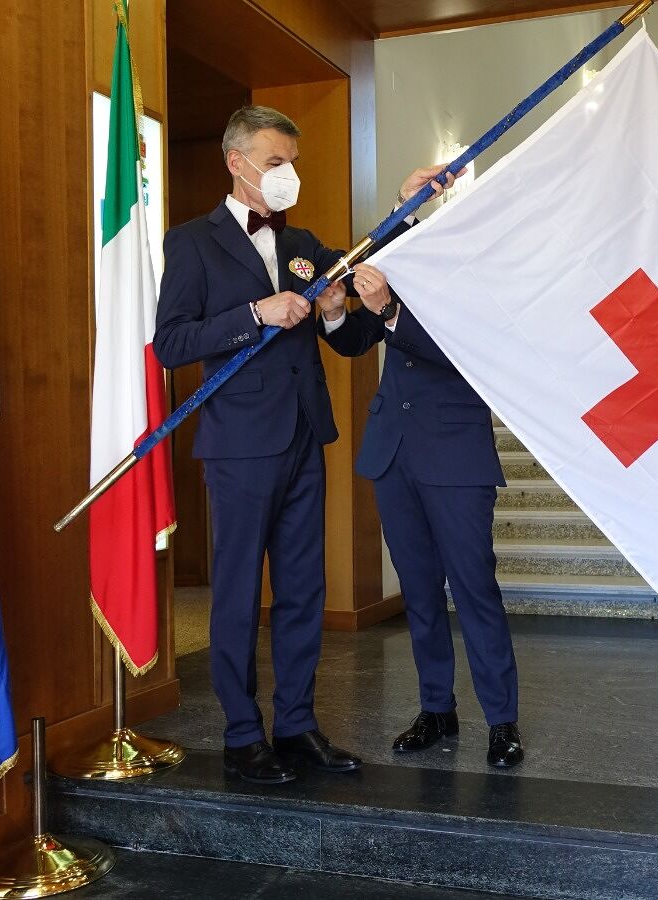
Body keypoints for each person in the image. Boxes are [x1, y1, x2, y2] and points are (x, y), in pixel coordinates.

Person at [152, 105, 449, 784]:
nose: (288, 173)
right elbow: (171, 342)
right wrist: (254, 314)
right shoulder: (192, 242)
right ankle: (241, 735)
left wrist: (400, 211)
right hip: (238, 445)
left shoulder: (304, 242)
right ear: (237, 163)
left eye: (292, 161)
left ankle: (295, 725)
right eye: (275, 161)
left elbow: (357, 298)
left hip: (304, 437)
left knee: (302, 591)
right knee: (236, 594)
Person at [318, 209, 524, 768]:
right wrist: (335, 314)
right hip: (393, 451)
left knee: (474, 588)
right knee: (420, 592)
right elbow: (357, 339)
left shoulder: (482, 274)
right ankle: (437, 707)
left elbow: (462, 351)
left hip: (456, 453)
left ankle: (502, 719)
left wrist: (388, 310)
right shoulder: (402, 259)